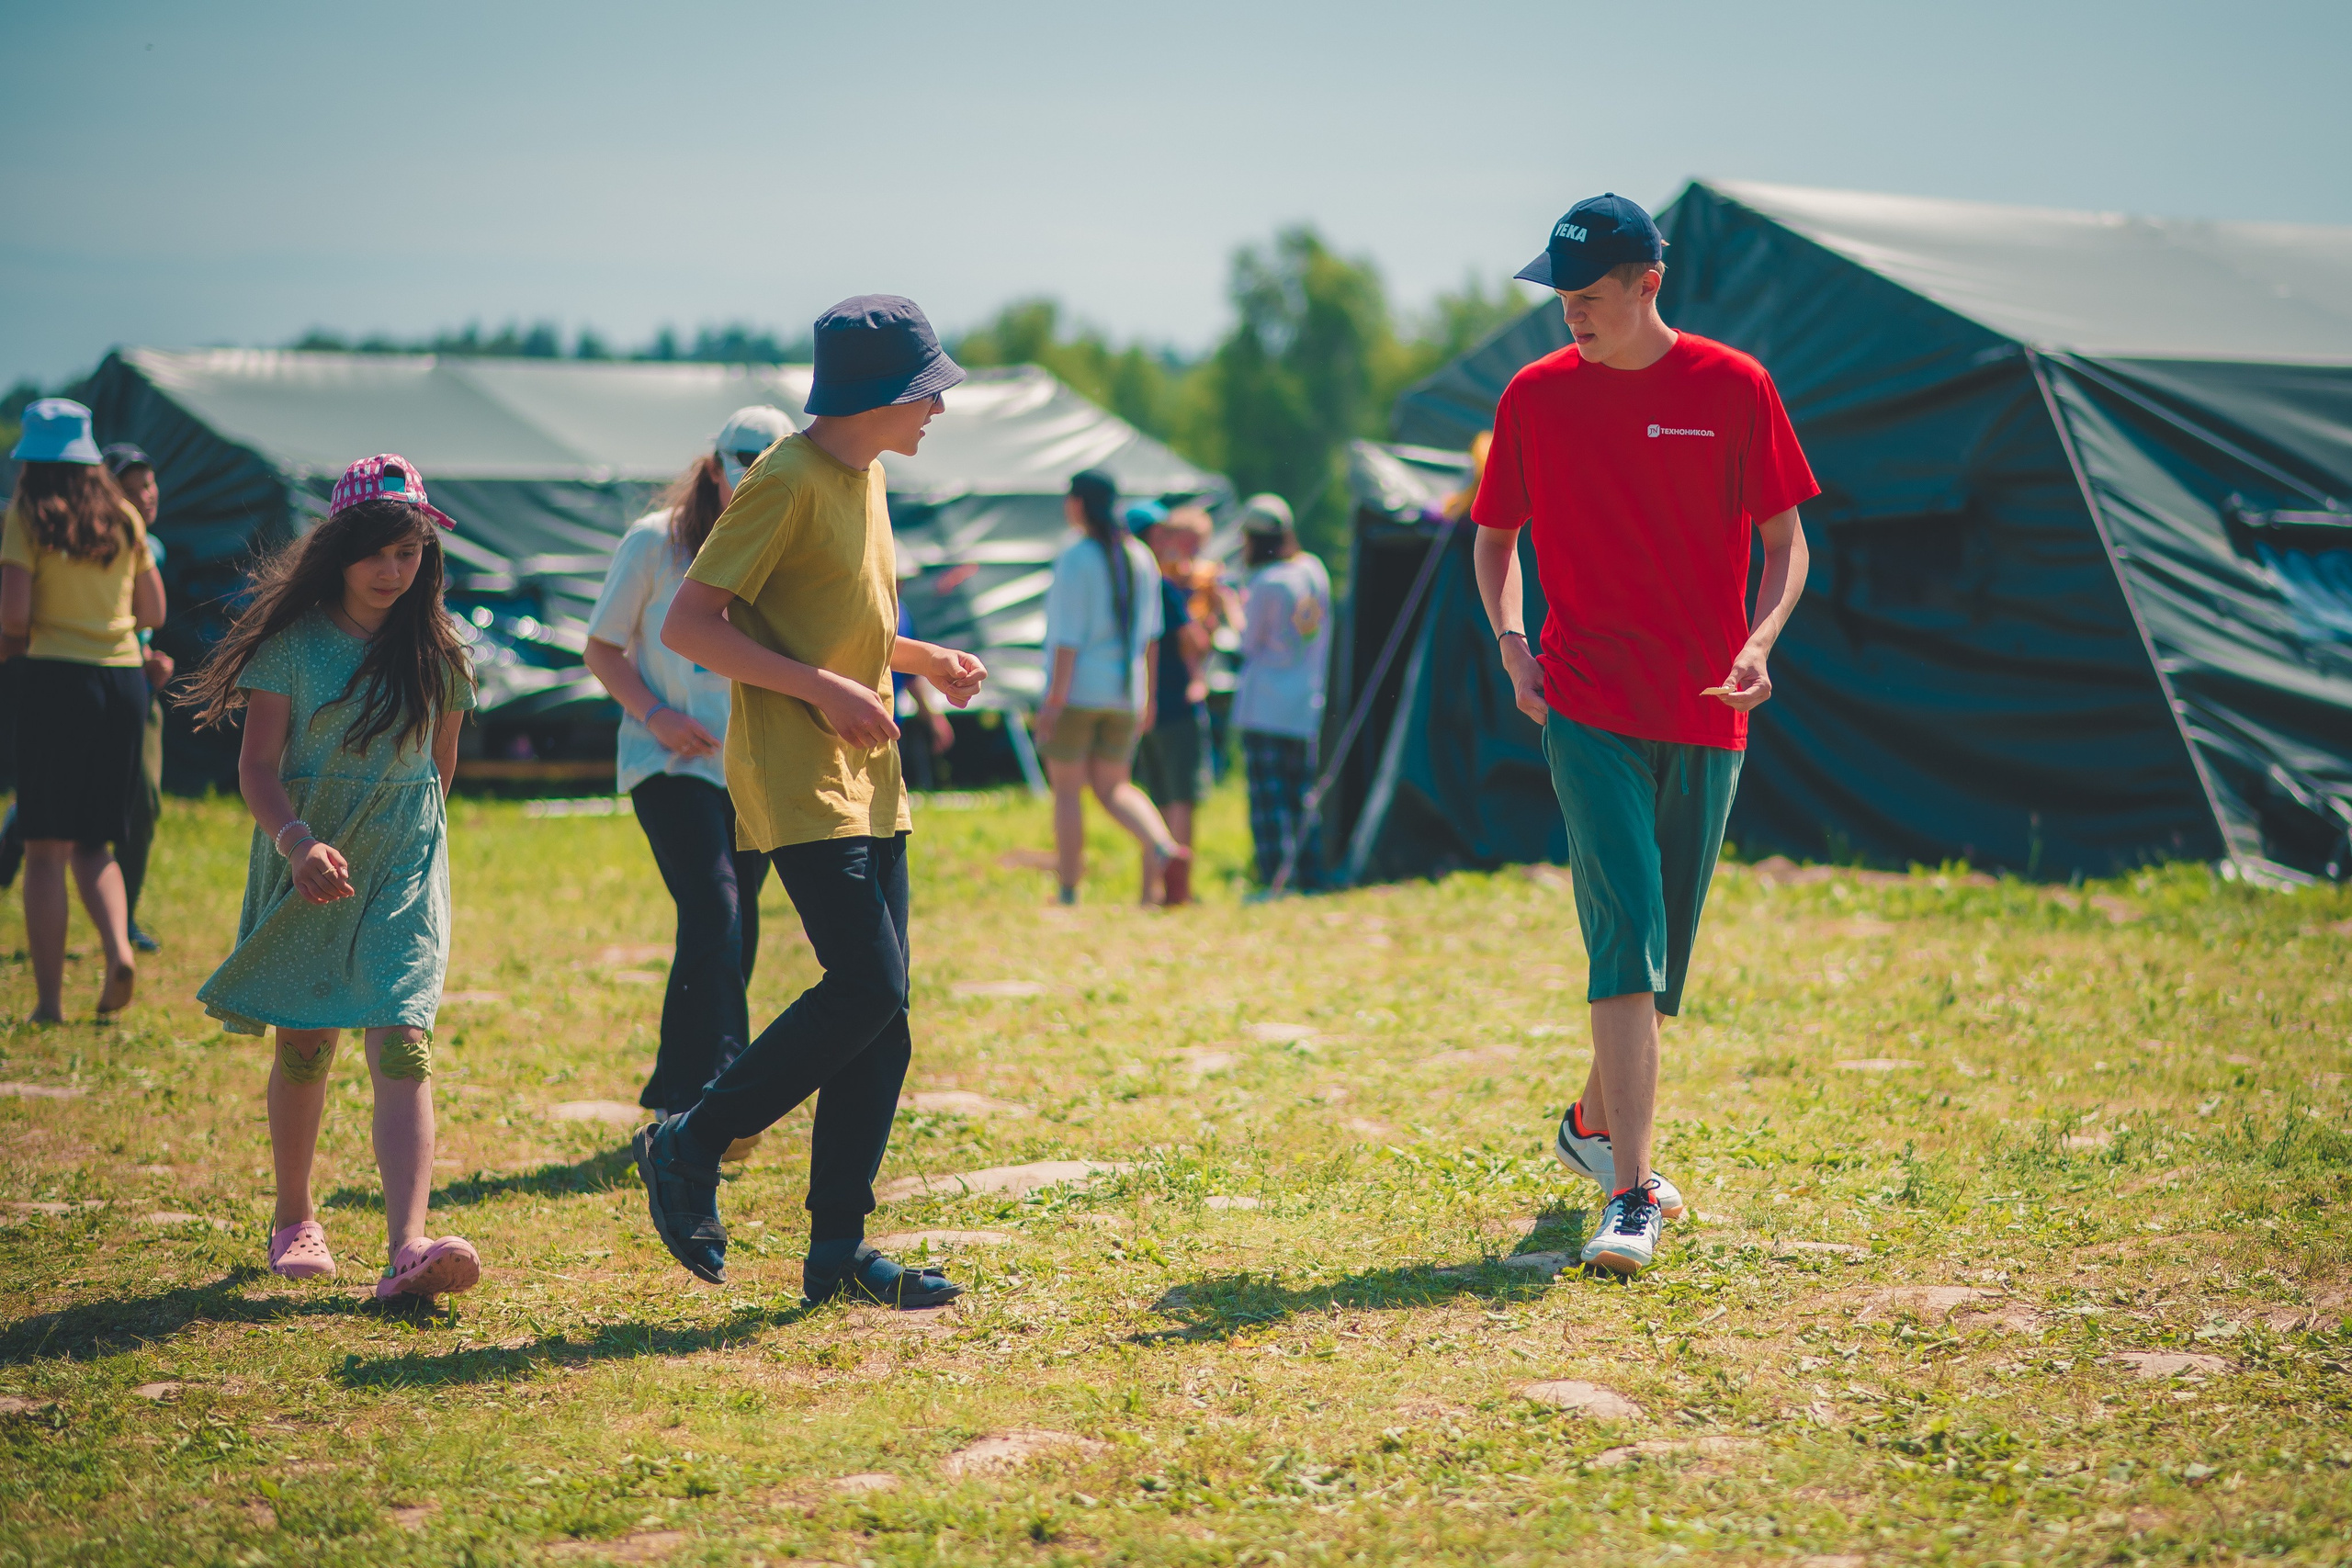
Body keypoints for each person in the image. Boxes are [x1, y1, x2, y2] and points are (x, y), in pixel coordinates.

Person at [1472, 193, 1815, 1275]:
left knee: (1659, 967)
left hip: (1708, 712)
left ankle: (1588, 1123)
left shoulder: (1735, 386)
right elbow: (1494, 538)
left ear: (1646, 287)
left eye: (1585, 298)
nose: (1568, 317)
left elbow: (1785, 541)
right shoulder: (1533, 397)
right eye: (1558, 299)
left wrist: (1760, 642)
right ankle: (1629, 1194)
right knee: (1623, 939)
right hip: (1584, 708)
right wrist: (1513, 640)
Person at [635, 295, 988, 1308]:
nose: (939, 410)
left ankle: (837, 1251)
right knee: (868, 988)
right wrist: (823, 692)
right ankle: (691, 1140)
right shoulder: (785, 478)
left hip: (871, 776)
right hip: (797, 775)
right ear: (881, 393)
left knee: (887, 1018)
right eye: (930, 391)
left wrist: (918, 661)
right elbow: (693, 627)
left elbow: (835, 624)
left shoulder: (867, 477)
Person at [182, 454, 483, 1302]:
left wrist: (405, 845)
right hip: (310, 854)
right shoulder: (294, 645)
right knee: (307, 1044)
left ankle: (407, 1247)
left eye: (410, 552)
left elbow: (440, 765)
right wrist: (298, 841)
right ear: (339, 551)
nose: (394, 571)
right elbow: (257, 766)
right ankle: (294, 1216)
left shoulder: (442, 649)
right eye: (377, 552)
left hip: (402, 864)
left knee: (405, 1041)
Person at [583, 406, 791, 1134]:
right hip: (667, 759)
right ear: (713, 466)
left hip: (751, 765)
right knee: (716, 908)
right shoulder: (653, 542)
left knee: (734, 924)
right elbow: (603, 648)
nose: (748, 480)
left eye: (766, 468)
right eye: (739, 466)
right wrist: (656, 715)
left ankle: (682, 1092)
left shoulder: (783, 541)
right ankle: (719, 1098)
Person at [0, 400, 165, 1022]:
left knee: (45, 849)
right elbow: (153, 610)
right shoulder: (124, 516)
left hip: (55, 681)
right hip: (123, 683)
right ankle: (118, 947)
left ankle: (47, 1003)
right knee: (94, 844)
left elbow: (13, 616)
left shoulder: (28, 516)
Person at [1035, 470, 1187, 905]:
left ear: (1079, 503)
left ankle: (1068, 891)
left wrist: (1053, 702)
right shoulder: (1140, 556)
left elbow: (1068, 637)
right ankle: (1163, 847)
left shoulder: (1076, 556)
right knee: (1114, 787)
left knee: (1067, 791)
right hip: (1127, 693)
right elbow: (1151, 638)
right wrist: (1149, 697)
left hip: (1078, 691)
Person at [1231, 494, 1332, 894]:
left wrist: (1230, 608)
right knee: (1301, 797)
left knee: (1268, 800)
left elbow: (1247, 643)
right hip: (1305, 702)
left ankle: (1275, 881)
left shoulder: (1267, 582)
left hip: (1265, 705)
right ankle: (1311, 876)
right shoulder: (1313, 570)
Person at [102, 444, 173, 953]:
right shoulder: (89, 546)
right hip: (92, 682)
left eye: (148, 486)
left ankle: (124, 917)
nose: (144, 497)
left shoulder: (157, 549)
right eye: (130, 489)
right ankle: (19, 830)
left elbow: (147, 619)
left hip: (139, 686)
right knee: (62, 799)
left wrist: (153, 657)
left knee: (143, 801)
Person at [1132, 503, 1213, 905]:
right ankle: (1179, 891)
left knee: (1153, 800)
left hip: (1140, 706)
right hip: (1175, 703)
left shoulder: (1128, 583)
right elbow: (1190, 640)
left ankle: (1151, 891)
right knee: (1181, 798)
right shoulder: (1163, 586)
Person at [893, 596, 956, 790]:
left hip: (890, 723)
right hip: (849, 721)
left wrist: (932, 716)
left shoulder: (901, 610)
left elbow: (910, 673)